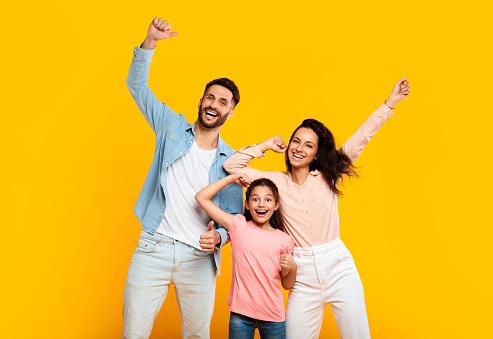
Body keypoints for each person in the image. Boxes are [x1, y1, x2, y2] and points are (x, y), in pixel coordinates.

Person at [223, 79, 410, 339]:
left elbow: (360, 139)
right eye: (296, 141)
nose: (299, 149)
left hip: (338, 266)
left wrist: (390, 103)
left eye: (308, 145)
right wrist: (263, 146)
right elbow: (232, 166)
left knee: (358, 335)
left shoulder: (327, 175)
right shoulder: (275, 182)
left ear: (317, 152)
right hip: (302, 273)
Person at [122, 17, 244, 339]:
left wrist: (219, 237)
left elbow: (234, 218)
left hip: (199, 259)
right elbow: (137, 87)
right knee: (133, 334)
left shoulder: (231, 161)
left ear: (229, 113)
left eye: (222, 102)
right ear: (201, 100)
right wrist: (150, 42)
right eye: (210, 97)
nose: (213, 105)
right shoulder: (172, 127)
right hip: (153, 248)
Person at [195, 174, 297, 339]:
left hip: (273, 316)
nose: (261, 204)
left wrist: (292, 268)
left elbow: (287, 284)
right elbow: (201, 198)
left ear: (276, 205)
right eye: (255, 199)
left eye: (268, 200)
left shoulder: (285, 240)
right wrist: (231, 179)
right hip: (241, 315)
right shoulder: (238, 225)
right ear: (247, 205)